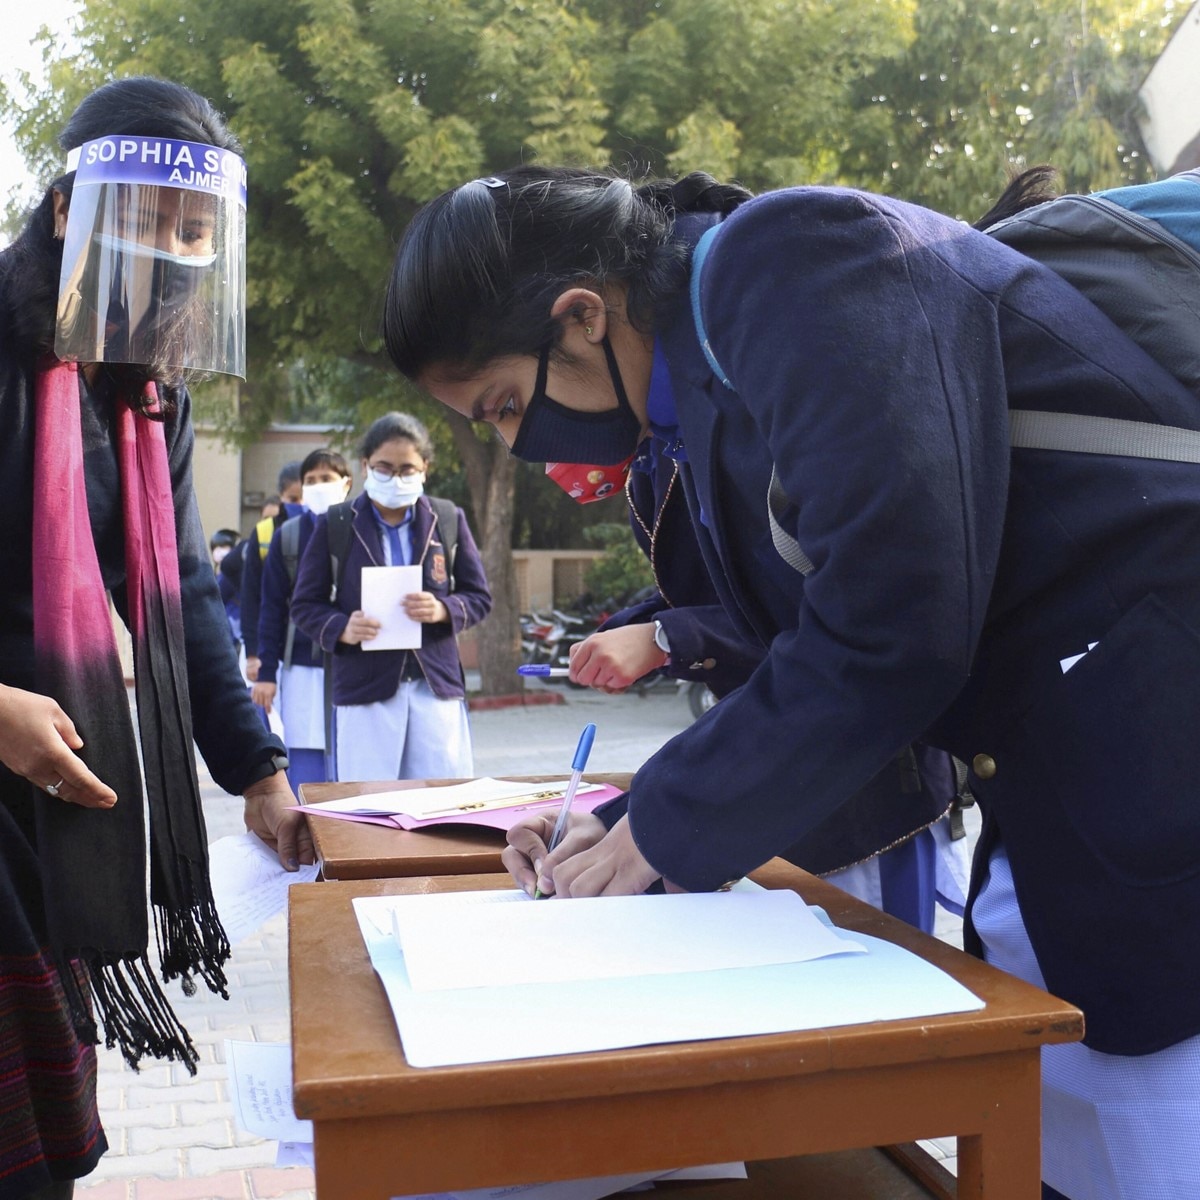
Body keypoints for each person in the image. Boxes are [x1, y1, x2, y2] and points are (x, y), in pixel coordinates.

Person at [383, 165, 1200, 1200]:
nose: (514, 438)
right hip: (1073, 786)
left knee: (1148, 1140)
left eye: (505, 404)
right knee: (1073, 1144)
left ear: (581, 317)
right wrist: (631, 818)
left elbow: (891, 617)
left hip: (1156, 761)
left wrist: (668, 825)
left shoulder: (789, 258)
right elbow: (804, 652)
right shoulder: (709, 382)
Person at [0, 76, 313, 1200]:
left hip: (56, 788)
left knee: (39, 1139)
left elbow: (176, 587)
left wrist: (261, 773)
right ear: (65, 212)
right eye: (142, 215)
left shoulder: (144, 395)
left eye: (195, 231)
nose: (170, 249)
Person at [547, 455, 967, 930]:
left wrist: (670, 637)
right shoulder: (654, 456)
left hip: (857, 788)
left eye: (506, 404)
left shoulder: (753, 418)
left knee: (878, 984)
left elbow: (833, 623)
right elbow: (725, 592)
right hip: (751, 778)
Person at [290, 412, 493, 781]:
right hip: (365, 688)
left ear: (424, 469)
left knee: (443, 799)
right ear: (365, 465)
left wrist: (443, 609)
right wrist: (341, 627)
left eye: (407, 469)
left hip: (435, 685)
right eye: (384, 467)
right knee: (370, 806)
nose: (396, 478)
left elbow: (479, 596)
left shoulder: (446, 519)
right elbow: (305, 604)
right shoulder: (336, 523)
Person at [251, 448, 353, 786]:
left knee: (354, 754)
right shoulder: (288, 536)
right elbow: (271, 608)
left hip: (354, 663)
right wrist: (266, 671)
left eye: (327, 479)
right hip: (301, 666)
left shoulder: (361, 528)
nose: (318, 485)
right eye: (311, 480)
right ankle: (309, 833)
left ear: (347, 484)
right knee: (306, 761)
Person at [241, 461, 303, 685]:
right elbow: (250, 598)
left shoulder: (325, 528)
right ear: (281, 497)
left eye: (304, 497)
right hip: (270, 645)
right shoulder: (266, 532)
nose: (301, 505)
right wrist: (252, 653)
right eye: (293, 499)